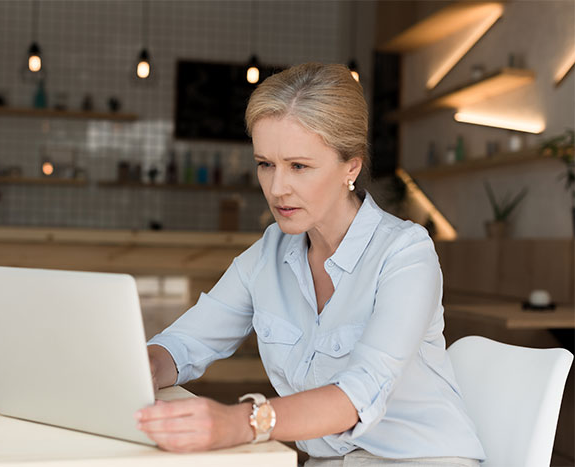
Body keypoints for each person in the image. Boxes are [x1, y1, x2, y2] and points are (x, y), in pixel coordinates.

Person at [135, 63, 485, 466]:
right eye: (265, 164)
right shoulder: (268, 254)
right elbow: (186, 343)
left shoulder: (405, 254)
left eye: (298, 166)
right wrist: (146, 366)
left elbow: (358, 394)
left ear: (350, 167)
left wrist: (240, 421)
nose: (277, 188)